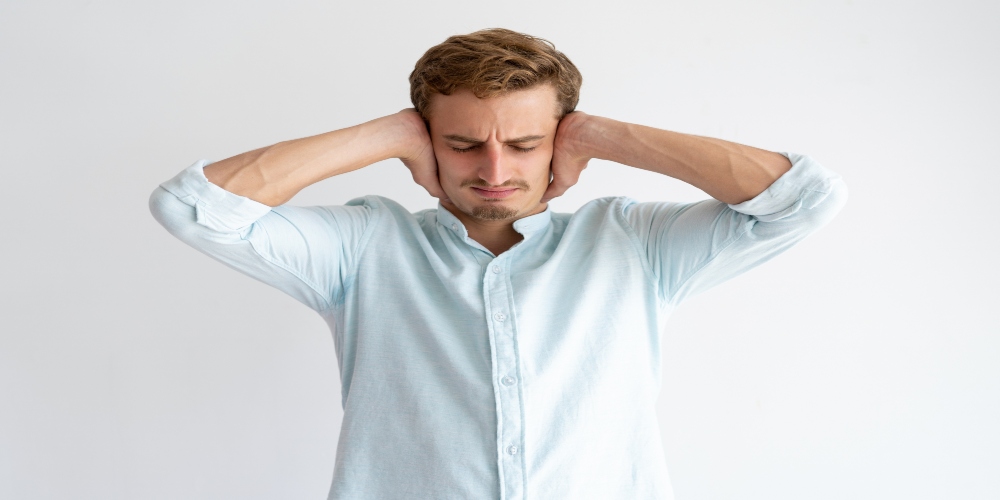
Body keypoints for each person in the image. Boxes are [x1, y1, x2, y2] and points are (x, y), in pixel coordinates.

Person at [150, 28, 847, 500]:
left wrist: (602, 135)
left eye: (523, 143)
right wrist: (386, 134)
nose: (493, 169)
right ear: (428, 140)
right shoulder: (363, 248)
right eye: (460, 143)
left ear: (557, 141)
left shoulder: (634, 242)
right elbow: (191, 206)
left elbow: (804, 200)